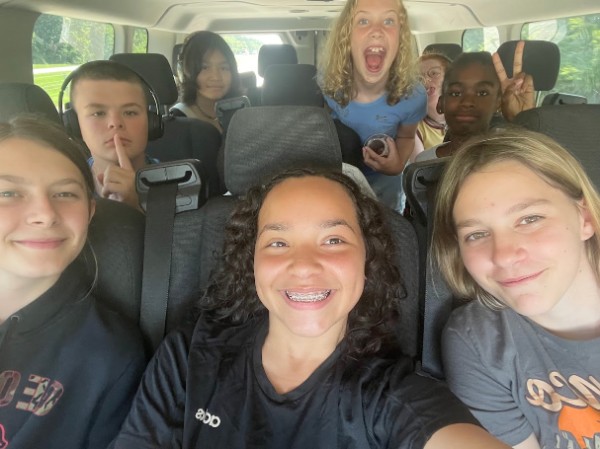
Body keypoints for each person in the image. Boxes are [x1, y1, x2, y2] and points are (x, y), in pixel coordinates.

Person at [112, 167, 511, 448]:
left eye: (334, 240)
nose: (303, 265)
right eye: (277, 243)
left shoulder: (393, 397)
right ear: (251, 261)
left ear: (366, 260)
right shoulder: (189, 355)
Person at [431, 128, 600, 449]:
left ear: (584, 218)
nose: (505, 255)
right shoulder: (478, 341)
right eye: (477, 234)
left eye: (530, 218)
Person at [0, 116, 146, 449]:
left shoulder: (105, 355)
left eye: (65, 193)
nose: (44, 213)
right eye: (8, 192)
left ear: (91, 212)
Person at [319, 0, 426, 213]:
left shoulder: (413, 95)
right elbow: (325, 127)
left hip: (386, 180)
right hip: (343, 174)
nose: (376, 31)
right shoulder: (330, 85)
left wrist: (396, 166)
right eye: (364, 20)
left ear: (401, 39)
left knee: (386, 229)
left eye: (388, 21)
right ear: (346, 37)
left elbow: (406, 137)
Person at [68, 60, 160, 211]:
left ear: (151, 122)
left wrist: (138, 207)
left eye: (130, 112)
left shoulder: (181, 185)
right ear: (74, 125)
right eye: (98, 113)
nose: (115, 123)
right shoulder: (64, 188)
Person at [414, 51, 501, 161]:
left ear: (498, 102)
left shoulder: (507, 151)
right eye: (455, 94)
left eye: (482, 93)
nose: (467, 102)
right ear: (441, 104)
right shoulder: (424, 161)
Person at [171, 30, 242, 133]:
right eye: (204, 67)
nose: (216, 77)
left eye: (223, 68)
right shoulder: (178, 119)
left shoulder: (242, 113)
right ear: (186, 72)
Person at [411, 52, 451, 160]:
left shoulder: (466, 117)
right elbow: (420, 170)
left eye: (434, 73)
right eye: (419, 79)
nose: (426, 81)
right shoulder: (413, 128)